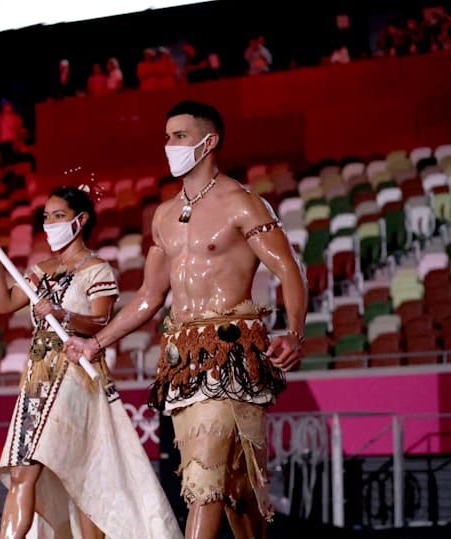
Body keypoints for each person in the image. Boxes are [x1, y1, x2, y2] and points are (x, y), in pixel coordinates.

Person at [64, 100, 306, 539]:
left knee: (205, 481)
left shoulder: (243, 204)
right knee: (233, 490)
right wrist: (95, 343)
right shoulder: (163, 216)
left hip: (232, 352)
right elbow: (149, 296)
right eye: (167, 137)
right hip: (183, 361)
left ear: (209, 142)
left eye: (179, 136)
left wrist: (294, 331)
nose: (169, 145)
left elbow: (289, 268)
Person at [0, 186, 181, 539]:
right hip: (37, 378)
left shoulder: (97, 270)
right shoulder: (41, 269)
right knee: (22, 469)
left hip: (75, 375)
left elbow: (102, 322)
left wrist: (63, 314)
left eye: (59, 216)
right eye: (46, 217)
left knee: (75, 472)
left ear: (80, 220)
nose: (50, 224)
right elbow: (3, 304)